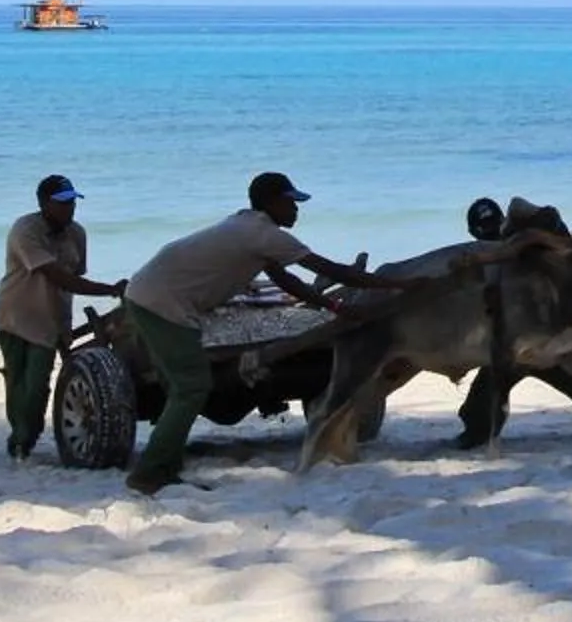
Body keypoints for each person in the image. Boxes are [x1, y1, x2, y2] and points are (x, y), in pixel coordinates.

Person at [116, 169, 412, 495]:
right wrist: (399, 283)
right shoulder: (265, 235)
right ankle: (150, 473)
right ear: (271, 203)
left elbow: (288, 282)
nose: (296, 209)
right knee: (191, 387)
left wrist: (335, 308)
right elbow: (331, 270)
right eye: (291, 202)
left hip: (152, 293)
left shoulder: (250, 228)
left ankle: (166, 465)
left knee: (184, 385)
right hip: (161, 302)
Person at [0, 172, 127, 462]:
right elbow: (59, 277)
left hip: (49, 320)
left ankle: (25, 436)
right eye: (62, 203)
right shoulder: (25, 230)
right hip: (15, 316)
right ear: (43, 203)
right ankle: (20, 441)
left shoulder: (77, 233)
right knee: (17, 381)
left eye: (72, 202)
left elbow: (73, 277)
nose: (69, 209)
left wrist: (65, 322)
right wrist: (110, 290)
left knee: (37, 385)